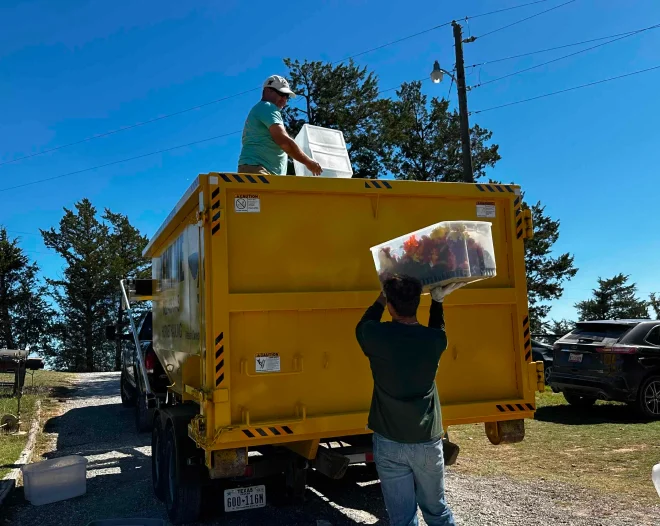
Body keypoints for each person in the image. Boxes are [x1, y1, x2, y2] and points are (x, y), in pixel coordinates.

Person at [355, 274, 464, 526]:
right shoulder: (435, 342)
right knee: (437, 511)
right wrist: (437, 301)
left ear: (391, 307)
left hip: (389, 442)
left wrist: (382, 296)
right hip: (427, 442)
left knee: (402, 519)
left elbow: (363, 323)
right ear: (417, 302)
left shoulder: (376, 336)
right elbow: (438, 329)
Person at [237, 75, 322, 176]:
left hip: (257, 168)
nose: (284, 99)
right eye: (281, 94)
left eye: (287, 96)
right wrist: (309, 162)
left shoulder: (261, 109)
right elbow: (283, 141)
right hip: (259, 169)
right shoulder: (267, 107)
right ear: (268, 91)